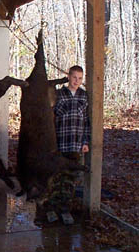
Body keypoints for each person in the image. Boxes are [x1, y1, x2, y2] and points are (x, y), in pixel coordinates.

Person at [51, 65, 91, 222]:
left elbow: (86, 121)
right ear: (68, 76)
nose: (77, 81)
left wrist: (85, 142)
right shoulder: (58, 94)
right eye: (74, 77)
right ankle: (51, 209)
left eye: (80, 78)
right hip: (60, 143)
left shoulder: (84, 96)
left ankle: (65, 210)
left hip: (75, 145)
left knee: (70, 180)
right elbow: (51, 119)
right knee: (56, 178)